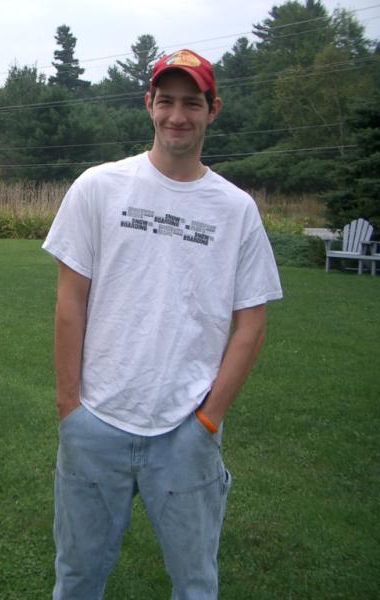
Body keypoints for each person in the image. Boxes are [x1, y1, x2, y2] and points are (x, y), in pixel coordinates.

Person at [43, 49, 283, 599]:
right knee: (76, 579)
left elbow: (251, 324)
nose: (178, 115)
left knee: (196, 585)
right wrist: (70, 407)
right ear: (148, 103)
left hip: (185, 432)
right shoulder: (99, 187)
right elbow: (70, 302)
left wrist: (208, 420)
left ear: (213, 110)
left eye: (192, 103)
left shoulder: (236, 209)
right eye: (167, 101)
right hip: (95, 424)